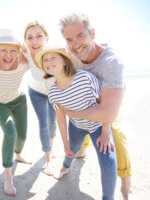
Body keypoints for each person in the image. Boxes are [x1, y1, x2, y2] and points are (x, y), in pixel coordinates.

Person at [59, 12, 132, 200]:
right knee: (74, 145)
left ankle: (122, 189)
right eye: (69, 39)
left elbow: (108, 112)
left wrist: (105, 131)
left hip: (108, 105)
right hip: (84, 111)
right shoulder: (71, 55)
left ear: (92, 32)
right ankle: (67, 164)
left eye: (80, 36)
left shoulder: (111, 63)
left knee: (113, 144)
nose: (75, 44)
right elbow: (48, 60)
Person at [35, 45, 117, 200]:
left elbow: (105, 105)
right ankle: (65, 166)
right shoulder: (53, 93)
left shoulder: (85, 77)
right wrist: (64, 142)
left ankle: (108, 197)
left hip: (99, 126)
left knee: (108, 159)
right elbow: (60, 118)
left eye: (53, 57)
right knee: (72, 149)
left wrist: (106, 132)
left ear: (65, 61)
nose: (48, 61)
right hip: (76, 126)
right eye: (45, 59)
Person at [0, 29, 31, 196]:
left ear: (19, 52)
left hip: (19, 101)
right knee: (10, 132)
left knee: (22, 135)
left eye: (13, 50)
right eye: (3, 49)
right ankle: (8, 176)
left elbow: (43, 64)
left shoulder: (23, 63)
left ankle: (18, 155)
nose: (8, 55)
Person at [23, 21, 57, 175]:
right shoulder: (25, 52)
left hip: (54, 92)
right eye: (29, 37)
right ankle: (48, 158)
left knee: (52, 123)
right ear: (25, 41)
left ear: (47, 38)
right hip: (35, 91)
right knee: (43, 123)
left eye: (39, 36)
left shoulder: (56, 53)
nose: (34, 41)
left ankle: (50, 145)